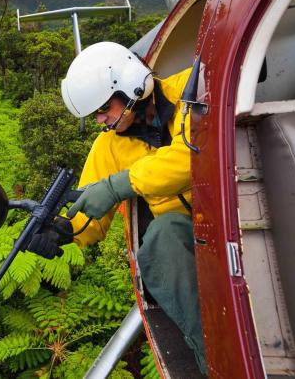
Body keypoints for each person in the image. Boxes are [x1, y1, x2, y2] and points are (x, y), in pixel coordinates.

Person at [26, 41, 207, 375]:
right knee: (162, 236)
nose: (100, 120)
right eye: (94, 114)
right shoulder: (108, 145)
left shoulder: (190, 89)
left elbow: (194, 155)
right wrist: (62, 232)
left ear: (130, 85)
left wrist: (118, 185)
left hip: (226, 210)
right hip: (185, 237)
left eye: (103, 108)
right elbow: (88, 216)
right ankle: (213, 360)